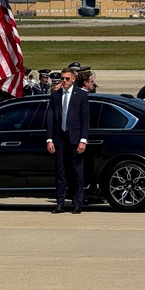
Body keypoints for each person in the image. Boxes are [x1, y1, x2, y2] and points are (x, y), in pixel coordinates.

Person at [45, 67, 89, 214]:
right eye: (63, 79)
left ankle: (77, 203)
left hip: (75, 138)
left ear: (73, 79)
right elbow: (50, 119)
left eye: (67, 79)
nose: (64, 81)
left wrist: (83, 140)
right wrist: (49, 139)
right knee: (60, 172)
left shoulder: (81, 95)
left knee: (77, 172)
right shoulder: (56, 96)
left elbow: (85, 119)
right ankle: (60, 203)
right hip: (59, 139)